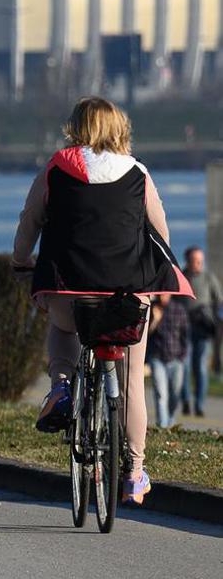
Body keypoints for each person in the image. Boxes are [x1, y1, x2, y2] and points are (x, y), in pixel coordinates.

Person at [12, 96, 191, 506]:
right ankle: (133, 473)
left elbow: (30, 220)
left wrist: (21, 261)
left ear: (75, 127)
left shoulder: (57, 167)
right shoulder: (138, 172)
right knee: (130, 385)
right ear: (119, 128)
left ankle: (59, 386)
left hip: (68, 290)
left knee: (61, 327)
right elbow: (160, 231)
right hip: (128, 294)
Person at [182, 247, 220, 418]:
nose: (198, 264)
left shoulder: (208, 278)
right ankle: (185, 401)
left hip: (203, 329)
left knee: (200, 368)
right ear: (187, 261)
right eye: (194, 260)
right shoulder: (180, 277)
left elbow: (219, 300)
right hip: (182, 330)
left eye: (200, 261)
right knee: (184, 367)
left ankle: (199, 404)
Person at [147, 295, 189, 430]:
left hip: (176, 359)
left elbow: (185, 335)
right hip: (157, 357)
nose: (162, 296)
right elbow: (143, 337)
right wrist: (155, 320)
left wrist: (182, 356)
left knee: (175, 393)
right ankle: (163, 426)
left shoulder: (179, 309)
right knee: (161, 393)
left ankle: (170, 417)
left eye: (165, 293)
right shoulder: (152, 309)